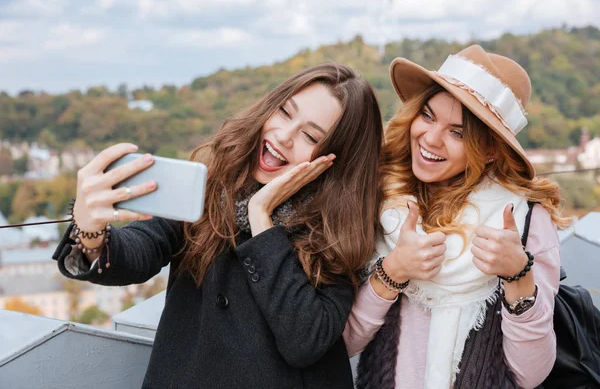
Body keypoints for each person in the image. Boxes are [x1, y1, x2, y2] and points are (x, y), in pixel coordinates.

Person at [53, 63, 384, 389]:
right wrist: (89, 230)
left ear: (335, 162)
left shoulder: (338, 231)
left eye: (310, 135)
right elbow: (141, 249)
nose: (283, 136)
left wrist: (261, 218)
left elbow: (306, 340)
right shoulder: (211, 188)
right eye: (284, 112)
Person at [343, 45, 570, 389]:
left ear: (491, 150)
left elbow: (530, 373)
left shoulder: (523, 220)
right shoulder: (378, 198)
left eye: (458, 132)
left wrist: (517, 275)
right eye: (429, 116)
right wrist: (393, 272)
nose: (430, 139)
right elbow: (345, 342)